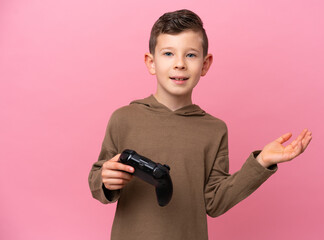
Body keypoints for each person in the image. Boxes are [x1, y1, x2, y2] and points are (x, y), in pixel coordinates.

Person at [88, 9, 312, 240]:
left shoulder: (214, 130)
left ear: (205, 64)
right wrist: (106, 180)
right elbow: (97, 180)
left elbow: (215, 202)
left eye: (191, 55)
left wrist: (262, 162)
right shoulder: (123, 118)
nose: (180, 64)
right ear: (151, 62)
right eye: (168, 54)